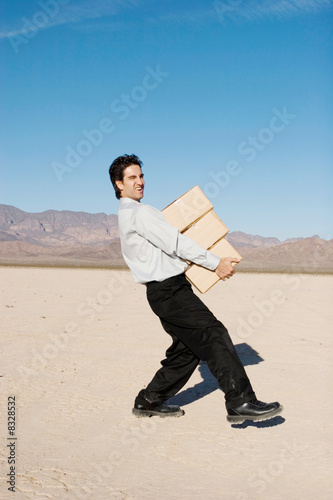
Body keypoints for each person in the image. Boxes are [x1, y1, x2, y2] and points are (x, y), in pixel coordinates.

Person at [109, 154, 283, 424]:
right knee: (214, 334)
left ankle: (149, 399)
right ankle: (240, 401)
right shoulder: (140, 213)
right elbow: (176, 242)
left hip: (162, 293)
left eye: (141, 176)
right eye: (132, 178)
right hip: (169, 292)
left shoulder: (128, 214)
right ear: (119, 184)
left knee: (187, 350)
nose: (140, 182)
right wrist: (215, 264)